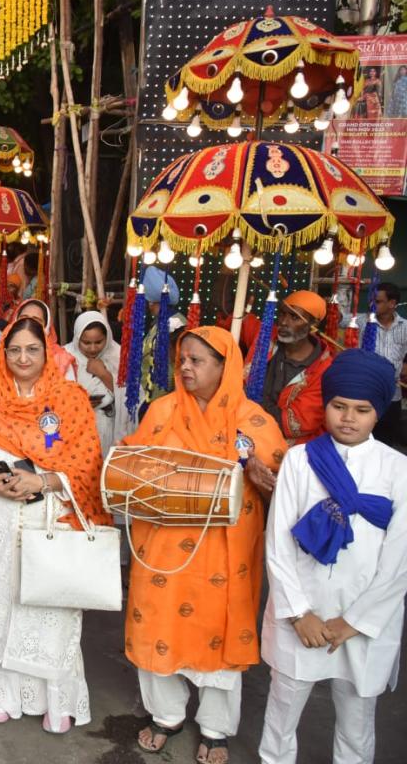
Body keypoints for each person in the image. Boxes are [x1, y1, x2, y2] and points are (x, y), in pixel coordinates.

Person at [123, 327, 287, 764]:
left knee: (218, 633)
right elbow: (131, 463)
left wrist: (259, 478)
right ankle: (166, 714)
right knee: (157, 625)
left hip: (221, 554)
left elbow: (283, 489)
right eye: (183, 359)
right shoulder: (161, 410)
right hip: (163, 546)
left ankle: (215, 727)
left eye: (197, 360)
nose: (186, 367)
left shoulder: (253, 422)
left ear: (224, 366)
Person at [0, 316, 110, 733]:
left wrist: (41, 480)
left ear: (48, 353)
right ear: (3, 354)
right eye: (15, 349)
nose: (23, 358)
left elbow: (87, 464)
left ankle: (55, 701)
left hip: (48, 518)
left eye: (33, 349)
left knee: (47, 607)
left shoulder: (70, 398)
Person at [258, 348, 407, 764]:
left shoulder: (398, 469)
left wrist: (354, 622)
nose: (348, 418)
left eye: (362, 410)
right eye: (339, 406)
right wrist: (298, 613)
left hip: (364, 623)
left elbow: (400, 562)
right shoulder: (300, 461)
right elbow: (279, 544)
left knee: (357, 724)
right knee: (282, 713)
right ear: (325, 404)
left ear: (378, 412)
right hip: (302, 616)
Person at [253, 291, 333, 446]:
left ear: (313, 324)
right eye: (282, 314)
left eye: (294, 317)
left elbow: (296, 423)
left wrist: (248, 404)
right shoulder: (265, 339)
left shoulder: (324, 369)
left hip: (292, 452)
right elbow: (228, 313)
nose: (283, 322)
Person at [64, 311, 126, 449]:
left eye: (99, 342)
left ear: (108, 337)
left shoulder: (118, 355)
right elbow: (54, 395)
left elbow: (131, 396)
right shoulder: (65, 356)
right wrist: (79, 402)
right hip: (75, 429)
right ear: (77, 337)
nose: (92, 348)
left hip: (109, 426)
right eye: (86, 343)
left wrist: (103, 374)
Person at [357, 282, 407, 447]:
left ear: (392, 303)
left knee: (385, 445)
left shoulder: (405, 327)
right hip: (365, 393)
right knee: (360, 441)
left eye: (377, 301)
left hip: (392, 395)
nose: (372, 304)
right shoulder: (362, 321)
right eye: (371, 301)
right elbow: (340, 318)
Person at [139, 266, 188, 403]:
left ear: (150, 303)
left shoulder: (176, 324)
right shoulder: (159, 323)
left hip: (166, 400)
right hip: (150, 397)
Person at [13, 298, 78, 380]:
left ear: (46, 328)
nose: (28, 324)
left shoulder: (60, 359)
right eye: (23, 318)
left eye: (36, 321)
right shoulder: (2, 354)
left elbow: (70, 391)